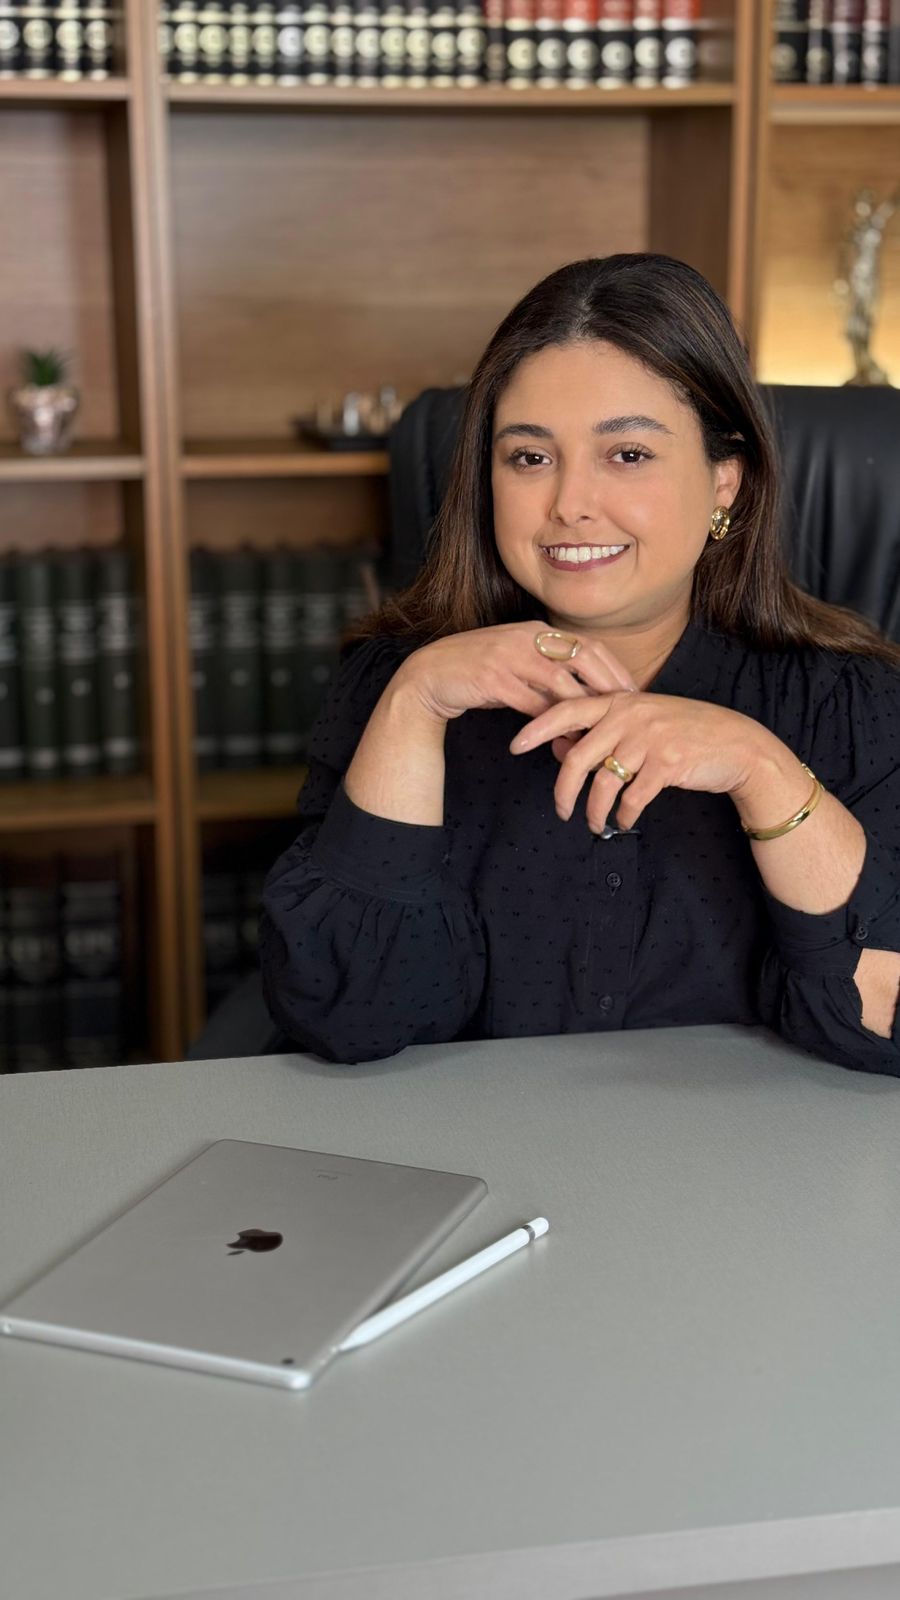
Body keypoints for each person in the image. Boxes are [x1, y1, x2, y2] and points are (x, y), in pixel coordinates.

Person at [260, 253, 900, 1072]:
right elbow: (349, 1015)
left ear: (725, 483)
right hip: (462, 1172)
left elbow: (878, 1021)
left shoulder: (851, 703)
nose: (568, 503)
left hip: (736, 1178)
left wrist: (760, 767)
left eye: (626, 455)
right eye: (529, 457)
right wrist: (414, 701)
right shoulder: (394, 683)